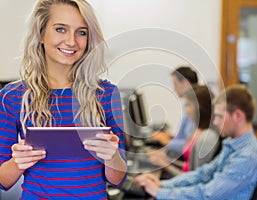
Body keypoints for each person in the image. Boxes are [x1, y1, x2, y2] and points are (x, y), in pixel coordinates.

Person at [0, 0, 126, 199]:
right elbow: (3, 181)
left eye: (81, 32)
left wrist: (112, 156)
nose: (71, 41)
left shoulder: (106, 94)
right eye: (61, 29)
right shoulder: (12, 96)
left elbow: (118, 179)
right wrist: (18, 162)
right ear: (41, 34)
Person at [134, 84, 257, 199]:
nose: (215, 122)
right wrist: (163, 185)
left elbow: (208, 194)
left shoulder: (248, 156)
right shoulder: (233, 146)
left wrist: (160, 192)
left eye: (220, 117)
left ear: (238, 116)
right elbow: (202, 174)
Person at [148, 84, 220, 177]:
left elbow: (194, 179)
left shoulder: (207, 137)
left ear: (199, 107)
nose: (186, 110)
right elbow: (189, 168)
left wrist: (166, 165)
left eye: (188, 105)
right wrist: (166, 160)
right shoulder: (199, 131)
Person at [151, 66, 198, 156]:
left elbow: (190, 143)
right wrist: (169, 137)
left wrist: (167, 142)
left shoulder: (196, 107)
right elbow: (185, 136)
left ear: (186, 83)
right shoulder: (188, 105)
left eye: (175, 84)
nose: (174, 89)